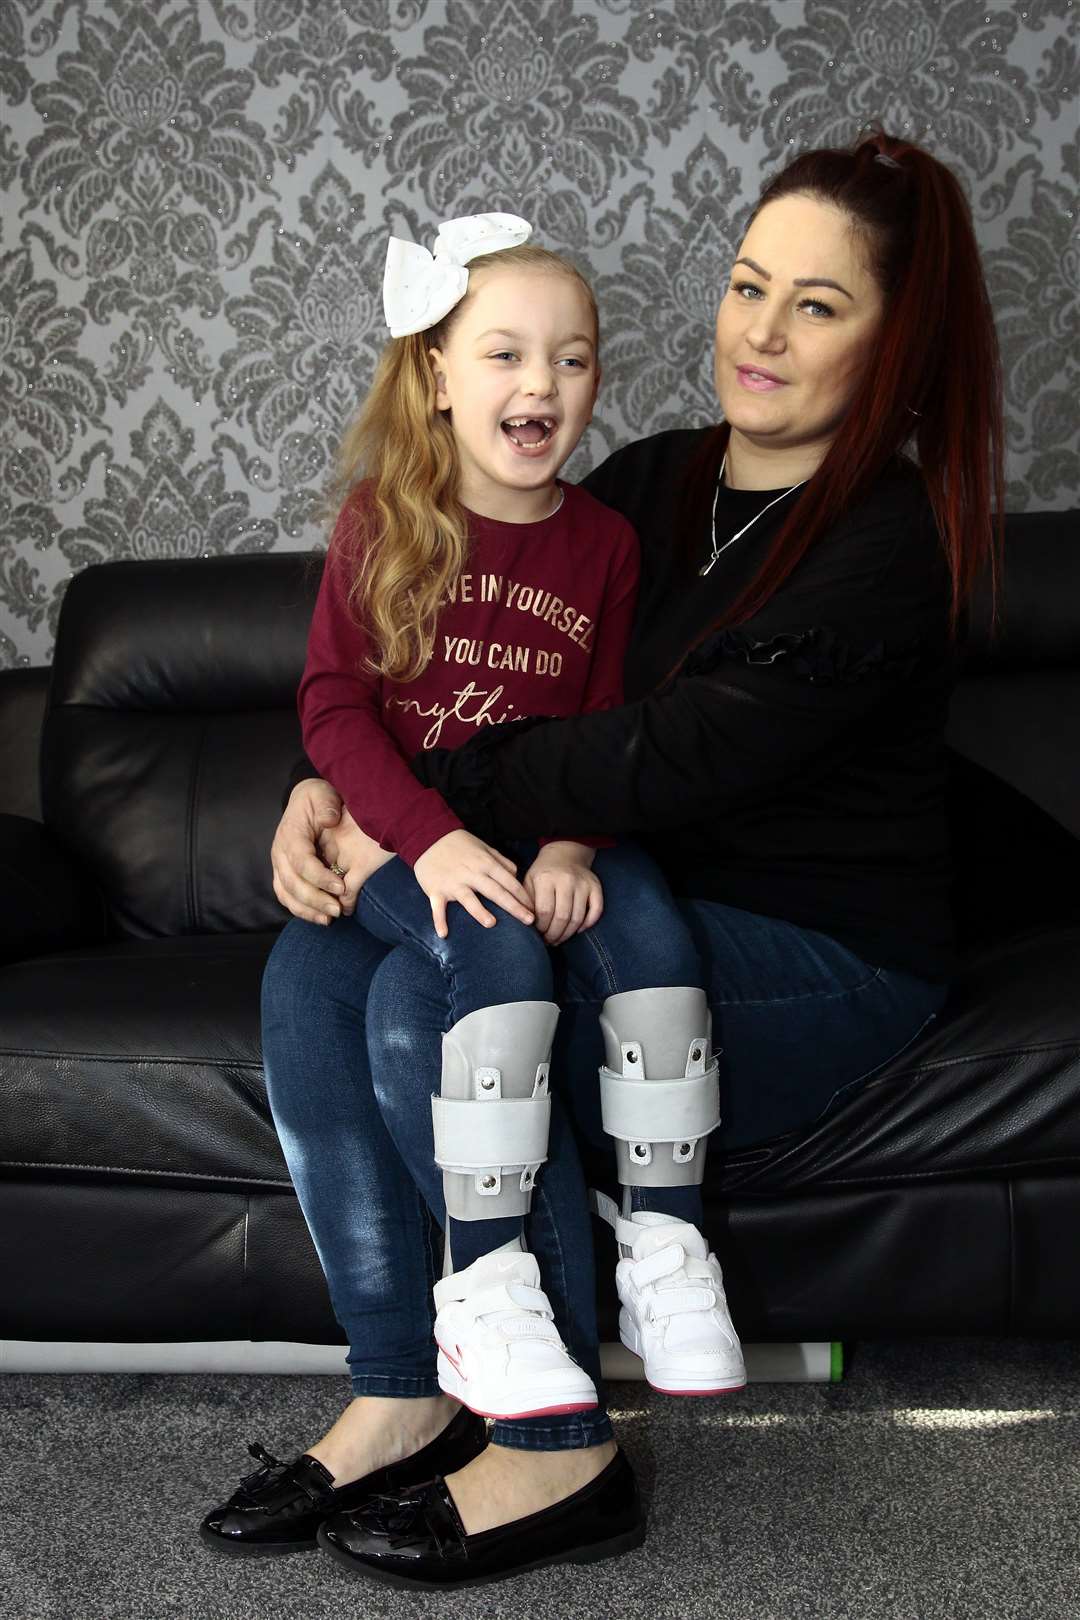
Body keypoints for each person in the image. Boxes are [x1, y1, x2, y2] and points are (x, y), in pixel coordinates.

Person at [206, 130, 1004, 1588]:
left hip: (817, 955)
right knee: (317, 963)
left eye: (818, 306)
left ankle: (560, 1445)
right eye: (750, 284)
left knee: (423, 1004)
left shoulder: (887, 544)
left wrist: (384, 791)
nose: (760, 331)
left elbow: (662, 761)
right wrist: (330, 782)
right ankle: (403, 1384)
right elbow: (440, 669)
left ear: (898, 344)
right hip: (632, 902)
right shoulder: (649, 482)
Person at [294, 212, 743, 1427]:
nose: (541, 383)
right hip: (406, 832)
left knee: (654, 947)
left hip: (550, 815)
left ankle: (666, 1248)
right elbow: (333, 708)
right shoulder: (385, 518)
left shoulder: (603, 542)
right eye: (504, 354)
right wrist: (422, 840)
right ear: (437, 376)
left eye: (573, 356)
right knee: (493, 950)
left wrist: (569, 846)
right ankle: (487, 1286)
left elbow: (607, 710)